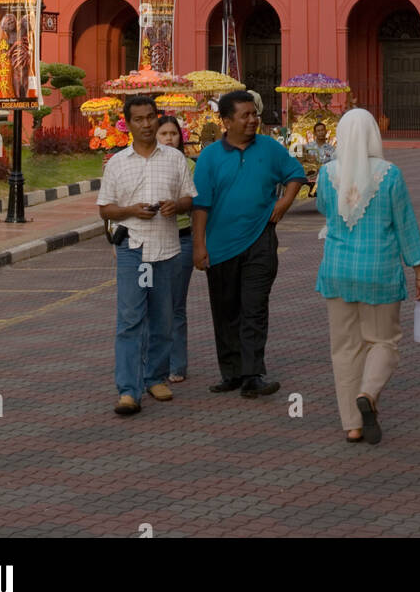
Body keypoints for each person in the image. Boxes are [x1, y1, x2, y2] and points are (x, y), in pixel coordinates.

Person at [315, 108, 420, 445]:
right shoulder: (390, 175)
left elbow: (324, 209)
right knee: (384, 341)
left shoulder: (326, 174)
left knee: (345, 348)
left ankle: (352, 424)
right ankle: (368, 393)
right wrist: (418, 269)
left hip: (337, 270)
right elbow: (404, 224)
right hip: (379, 271)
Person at [192, 90, 306, 398]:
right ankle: (231, 373)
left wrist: (284, 203)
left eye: (254, 114)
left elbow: (296, 174)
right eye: (245, 115)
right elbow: (200, 205)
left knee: (254, 308)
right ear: (227, 121)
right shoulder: (210, 157)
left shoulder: (268, 147)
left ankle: (253, 373)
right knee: (226, 310)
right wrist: (198, 246)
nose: (253, 120)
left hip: (260, 240)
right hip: (221, 245)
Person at [97, 96, 197, 416]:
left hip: (167, 250)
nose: (146, 124)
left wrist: (176, 206)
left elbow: (189, 198)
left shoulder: (174, 159)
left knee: (163, 318)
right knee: (130, 319)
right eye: (138, 119)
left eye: (150, 117)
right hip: (133, 250)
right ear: (128, 123)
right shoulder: (117, 163)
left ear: (157, 119)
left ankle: (155, 377)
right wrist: (129, 211)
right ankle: (128, 390)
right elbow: (106, 208)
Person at [153, 115, 195, 384]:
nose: (169, 138)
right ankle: (154, 362)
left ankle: (177, 364)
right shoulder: (146, 163)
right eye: (163, 133)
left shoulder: (189, 164)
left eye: (173, 134)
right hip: (149, 241)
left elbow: (194, 200)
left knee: (175, 305)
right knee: (151, 305)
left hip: (182, 239)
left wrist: (177, 205)